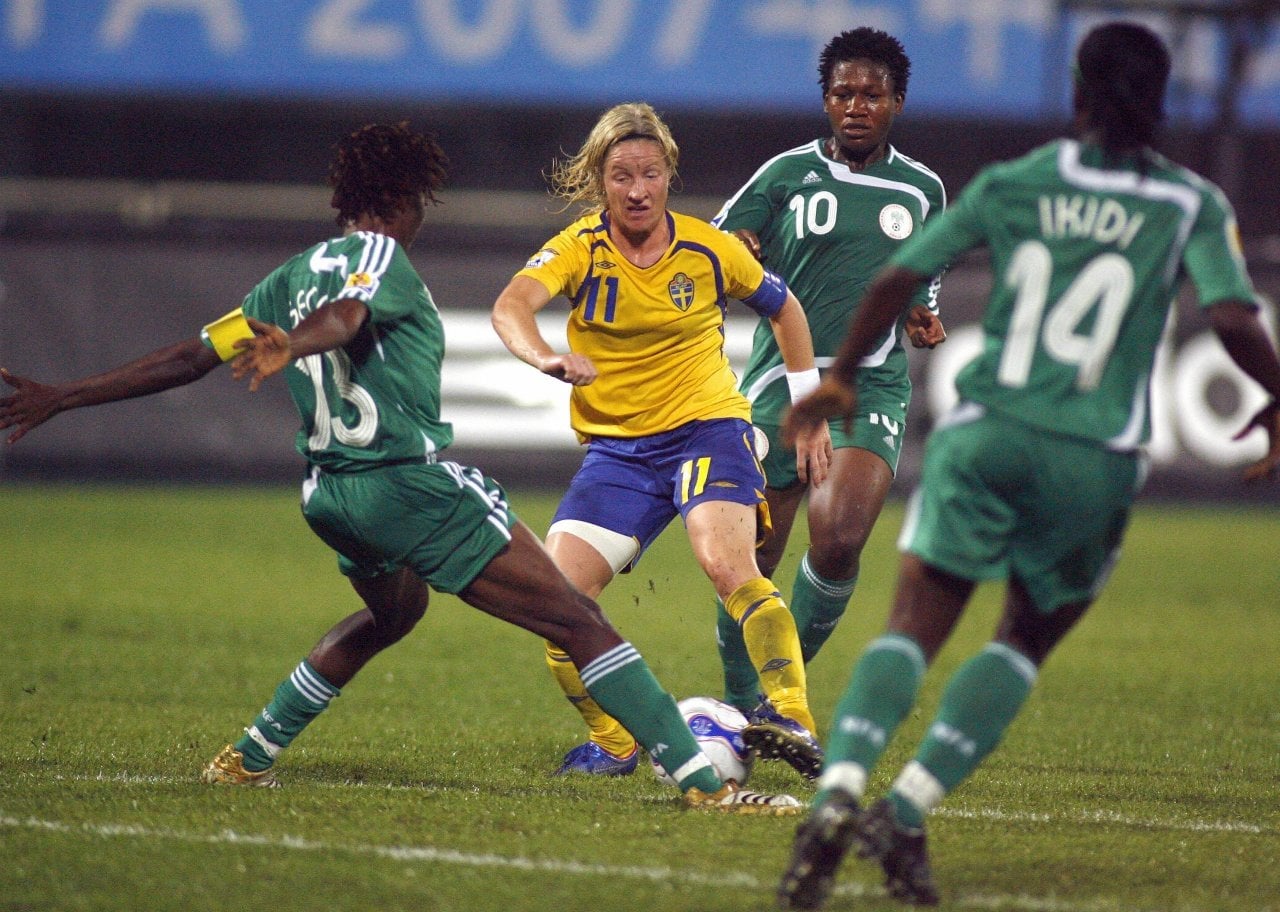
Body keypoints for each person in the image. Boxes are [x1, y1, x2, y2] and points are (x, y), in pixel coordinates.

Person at [0, 122, 805, 815]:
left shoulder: (289, 275)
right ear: (404, 197)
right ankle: (709, 788)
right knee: (578, 621)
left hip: (328, 495)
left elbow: (187, 357)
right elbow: (350, 314)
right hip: (405, 485)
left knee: (393, 615)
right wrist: (301, 342)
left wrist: (65, 395)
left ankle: (248, 756)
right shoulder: (380, 256)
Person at [775, 21, 1280, 908]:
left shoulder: (1017, 181)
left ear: (1078, 95)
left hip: (986, 433)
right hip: (1094, 455)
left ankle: (839, 791)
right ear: (1159, 102)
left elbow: (896, 278)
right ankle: (907, 807)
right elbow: (1234, 317)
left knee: (911, 626)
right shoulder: (1191, 202)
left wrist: (841, 375)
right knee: (1022, 637)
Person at [491, 102, 831, 780]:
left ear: (669, 174)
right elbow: (511, 306)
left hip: (708, 429)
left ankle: (792, 715)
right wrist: (545, 357)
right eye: (621, 176)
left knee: (728, 566)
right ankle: (616, 741)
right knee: (556, 601)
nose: (638, 190)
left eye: (650, 174)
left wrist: (809, 406)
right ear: (600, 179)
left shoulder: (709, 248)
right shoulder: (578, 250)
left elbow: (785, 307)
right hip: (620, 452)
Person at [709, 27, 946, 718]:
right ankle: (736, 707)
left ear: (897, 103)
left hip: (869, 383)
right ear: (825, 100)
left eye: (872, 95)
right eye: (843, 93)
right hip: (780, 384)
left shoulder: (922, 189)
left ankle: (777, 699)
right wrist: (740, 248)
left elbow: (923, 275)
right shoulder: (786, 174)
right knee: (752, 559)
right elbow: (717, 243)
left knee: (838, 540)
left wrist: (922, 314)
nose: (856, 107)